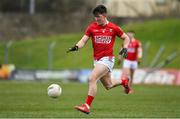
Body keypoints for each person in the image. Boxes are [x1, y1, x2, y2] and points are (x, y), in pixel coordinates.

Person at [67, 5, 130, 114]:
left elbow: (126, 38)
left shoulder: (113, 27)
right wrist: (76, 46)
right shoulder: (92, 27)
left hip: (107, 59)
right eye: (95, 17)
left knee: (92, 78)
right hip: (97, 60)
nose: (96, 19)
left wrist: (125, 48)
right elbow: (83, 40)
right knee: (108, 85)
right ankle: (124, 81)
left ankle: (86, 106)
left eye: (98, 17)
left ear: (105, 15)